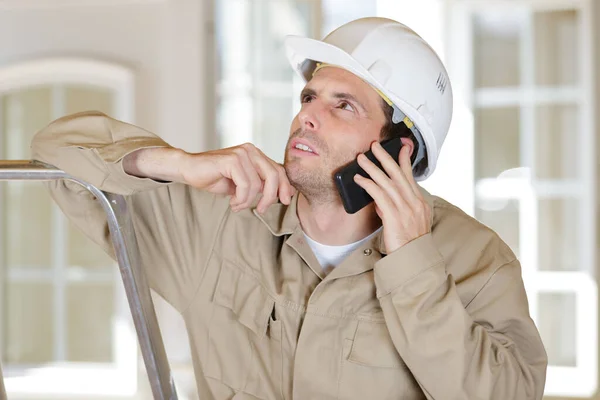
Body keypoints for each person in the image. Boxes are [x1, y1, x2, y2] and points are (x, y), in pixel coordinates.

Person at [31, 17, 547, 400]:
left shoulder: (476, 261)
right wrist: (176, 163)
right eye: (309, 96)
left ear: (401, 149)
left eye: (343, 105)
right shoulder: (222, 221)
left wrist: (414, 264)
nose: (307, 117)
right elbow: (56, 151)